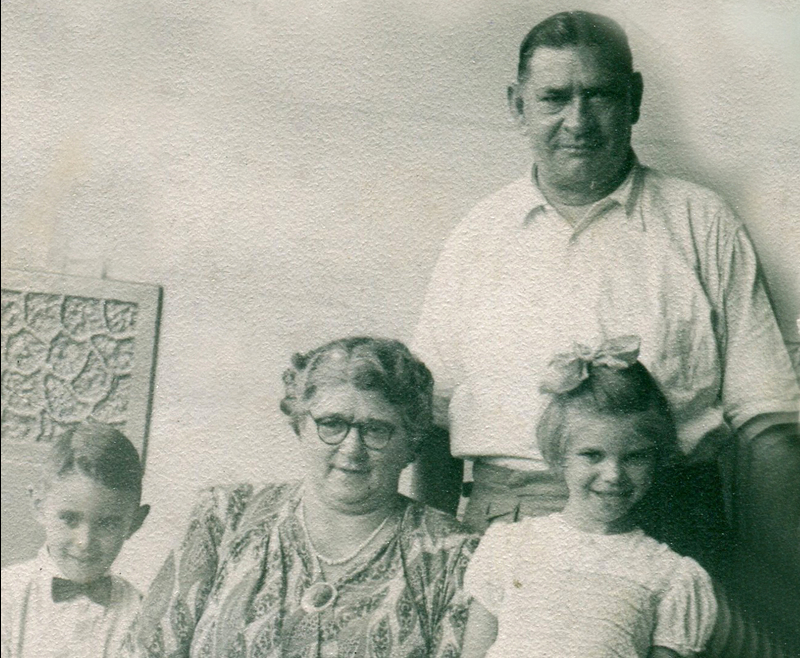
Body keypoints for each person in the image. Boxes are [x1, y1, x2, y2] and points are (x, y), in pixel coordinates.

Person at [411, 10, 799, 574]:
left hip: (673, 531)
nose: (578, 120)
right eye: (554, 97)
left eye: (599, 95)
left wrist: (772, 575)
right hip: (509, 535)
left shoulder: (701, 222)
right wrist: (434, 566)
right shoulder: (478, 235)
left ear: (634, 99)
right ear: (517, 104)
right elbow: (432, 421)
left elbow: (767, 418)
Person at [128, 336, 477, 658]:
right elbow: (146, 650)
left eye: (376, 429)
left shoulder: (452, 557)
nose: (351, 448)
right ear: (301, 424)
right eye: (332, 423)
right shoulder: (224, 517)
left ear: (411, 441)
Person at [460, 338, 717, 658]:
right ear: (559, 456)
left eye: (634, 457)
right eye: (592, 455)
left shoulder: (670, 576)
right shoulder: (508, 546)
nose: (614, 474)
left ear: (657, 458)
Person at [1, 421, 150, 658]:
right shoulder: (7, 597)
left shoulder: (140, 613)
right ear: (39, 505)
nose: (85, 542)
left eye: (108, 523)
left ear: (134, 523)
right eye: (69, 519)